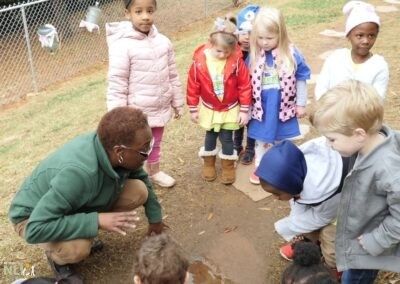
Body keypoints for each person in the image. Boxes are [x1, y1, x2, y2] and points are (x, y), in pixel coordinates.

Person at [8, 107, 167, 283]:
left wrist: (155, 218)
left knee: (138, 191)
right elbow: (34, 229)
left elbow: (141, 177)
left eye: (149, 144)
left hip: (68, 203)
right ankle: (59, 259)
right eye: (144, 149)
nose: (148, 154)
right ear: (119, 152)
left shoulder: (112, 149)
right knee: (78, 248)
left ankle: (83, 230)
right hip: (31, 218)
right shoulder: (78, 173)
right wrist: (96, 220)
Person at [310, 80, 400, 283]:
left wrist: (376, 240)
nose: (329, 144)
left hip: (368, 247)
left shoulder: (387, 169)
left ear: (359, 134)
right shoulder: (365, 146)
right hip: (362, 234)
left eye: (332, 139)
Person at [106, 0, 184, 188]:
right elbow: (117, 83)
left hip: (159, 107)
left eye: (150, 11)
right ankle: (134, 177)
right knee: (134, 147)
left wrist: (178, 102)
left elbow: (172, 74)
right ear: (128, 13)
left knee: (155, 143)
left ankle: (155, 171)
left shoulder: (163, 42)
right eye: (138, 11)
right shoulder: (122, 46)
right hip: (136, 113)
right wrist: (118, 117)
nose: (145, 16)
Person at [256, 139, 343, 276]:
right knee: (305, 222)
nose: (275, 198)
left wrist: (288, 225)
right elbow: (298, 203)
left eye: (277, 193)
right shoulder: (297, 172)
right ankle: (310, 244)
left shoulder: (325, 190)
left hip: (341, 213)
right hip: (323, 209)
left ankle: (333, 269)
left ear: (292, 185)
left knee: (330, 239)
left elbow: (322, 218)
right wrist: (296, 221)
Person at [247, 7, 311, 184]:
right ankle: (261, 166)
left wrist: (301, 103)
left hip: (282, 106)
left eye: (269, 38)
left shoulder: (291, 54)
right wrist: (245, 107)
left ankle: (279, 166)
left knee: (280, 138)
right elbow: (245, 83)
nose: (264, 42)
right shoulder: (254, 54)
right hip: (262, 107)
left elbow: (301, 78)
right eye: (260, 38)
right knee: (261, 138)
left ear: (280, 34)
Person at [186, 18, 252, 185]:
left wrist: (245, 109)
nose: (223, 55)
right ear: (210, 43)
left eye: (227, 52)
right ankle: (209, 163)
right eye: (219, 51)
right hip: (210, 108)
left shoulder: (237, 61)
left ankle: (228, 165)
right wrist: (193, 108)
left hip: (230, 107)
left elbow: (244, 85)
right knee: (210, 135)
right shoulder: (199, 62)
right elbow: (193, 85)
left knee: (227, 137)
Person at [315, 1, 389, 100]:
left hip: (364, 115)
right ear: (348, 35)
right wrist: (327, 109)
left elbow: (378, 100)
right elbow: (321, 88)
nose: (366, 41)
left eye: (371, 35)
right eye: (359, 35)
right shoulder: (335, 59)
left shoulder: (379, 65)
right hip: (331, 113)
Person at [233, 4, 260, 165]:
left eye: (251, 33)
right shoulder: (232, 51)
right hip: (236, 96)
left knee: (251, 122)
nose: (246, 37)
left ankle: (250, 148)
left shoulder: (259, 53)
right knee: (237, 122)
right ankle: (237, 146)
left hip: (253, 96)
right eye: (242, 32)